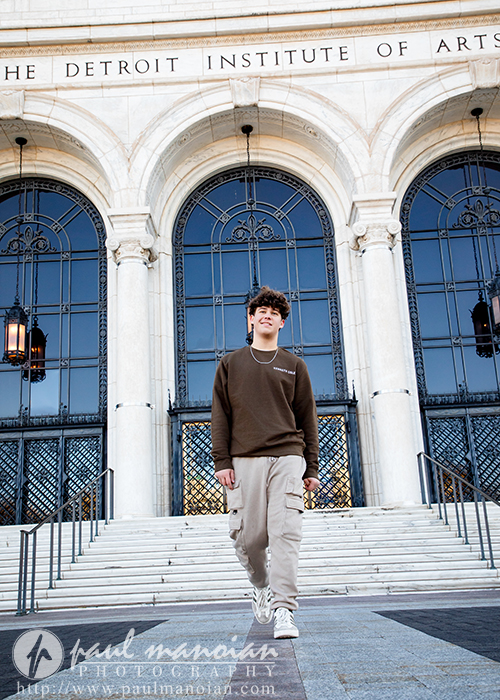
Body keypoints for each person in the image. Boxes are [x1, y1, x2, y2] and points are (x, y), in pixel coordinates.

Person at [211, 286, 320, 639]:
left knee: (286, 533)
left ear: (282, 322)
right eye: (261, 310)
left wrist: (312, 468)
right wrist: (222, 460)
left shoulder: (294, 366)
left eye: (274, 311)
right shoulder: (230, 364)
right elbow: (220, 416)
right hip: (244, 460)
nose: (267, 315)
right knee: (249, 537)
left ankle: (285, 610)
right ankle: (261, 584)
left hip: (288, 457)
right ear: (251, 318)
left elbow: (308, 418)